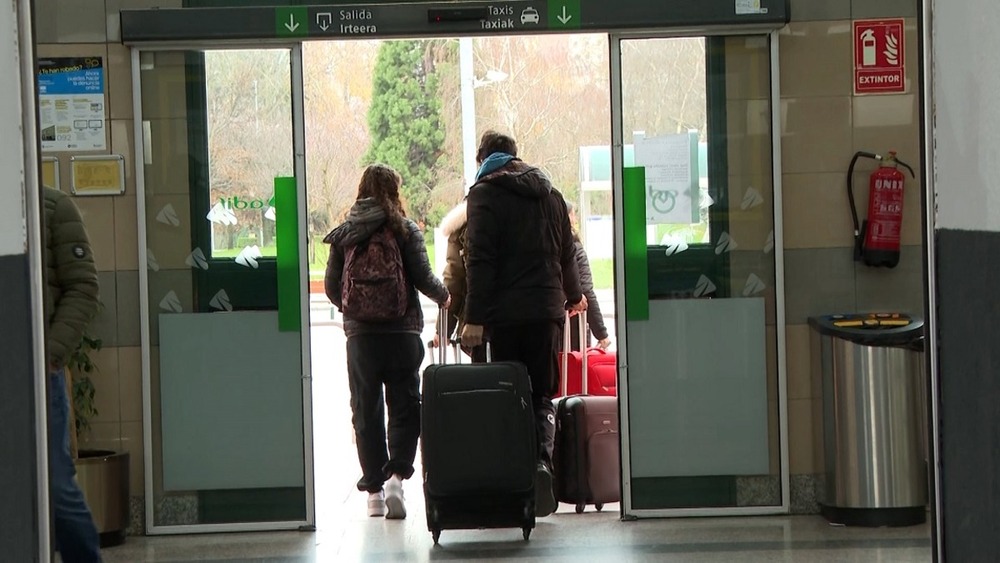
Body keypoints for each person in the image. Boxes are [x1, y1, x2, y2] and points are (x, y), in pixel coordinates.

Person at [460, 131, 586, 517]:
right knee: (542, 394)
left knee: (509, 395)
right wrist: (574, 293)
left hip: (507, 315)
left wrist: (474, 319)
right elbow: (568, 251)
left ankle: (516, 480)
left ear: (483, 156)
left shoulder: (484, 194)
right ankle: (541, 464)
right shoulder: (549, 194)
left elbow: (480, 262)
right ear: (516, 155)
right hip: (547, 312)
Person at [324, 164, 450, 520]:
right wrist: (444, 297)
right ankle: (396, 476)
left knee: (366, 407)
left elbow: (334, 287)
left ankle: (374, 493)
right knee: (405, 403)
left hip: (361, 338)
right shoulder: (404, 229)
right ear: (394, 191)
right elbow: (424, 277)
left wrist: (356, 312)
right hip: (402, 331)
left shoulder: (345, 233)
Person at [43, 185, 103, 563]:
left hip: (35, 375)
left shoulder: (51, 206)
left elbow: (83, 286)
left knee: (55, 486)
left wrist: (48, 356)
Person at [438, 198, 485, 362]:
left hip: (478, 319)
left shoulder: (462, 224)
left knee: (486, 379)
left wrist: (443, 330)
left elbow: (454, 279)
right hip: (527, 315)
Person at [565, 201, 611, 351]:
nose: (575, 219)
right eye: (573, 214)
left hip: (548, 325)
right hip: (572, 329)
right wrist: (602, 334)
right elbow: (586, 291)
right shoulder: (575, 249)